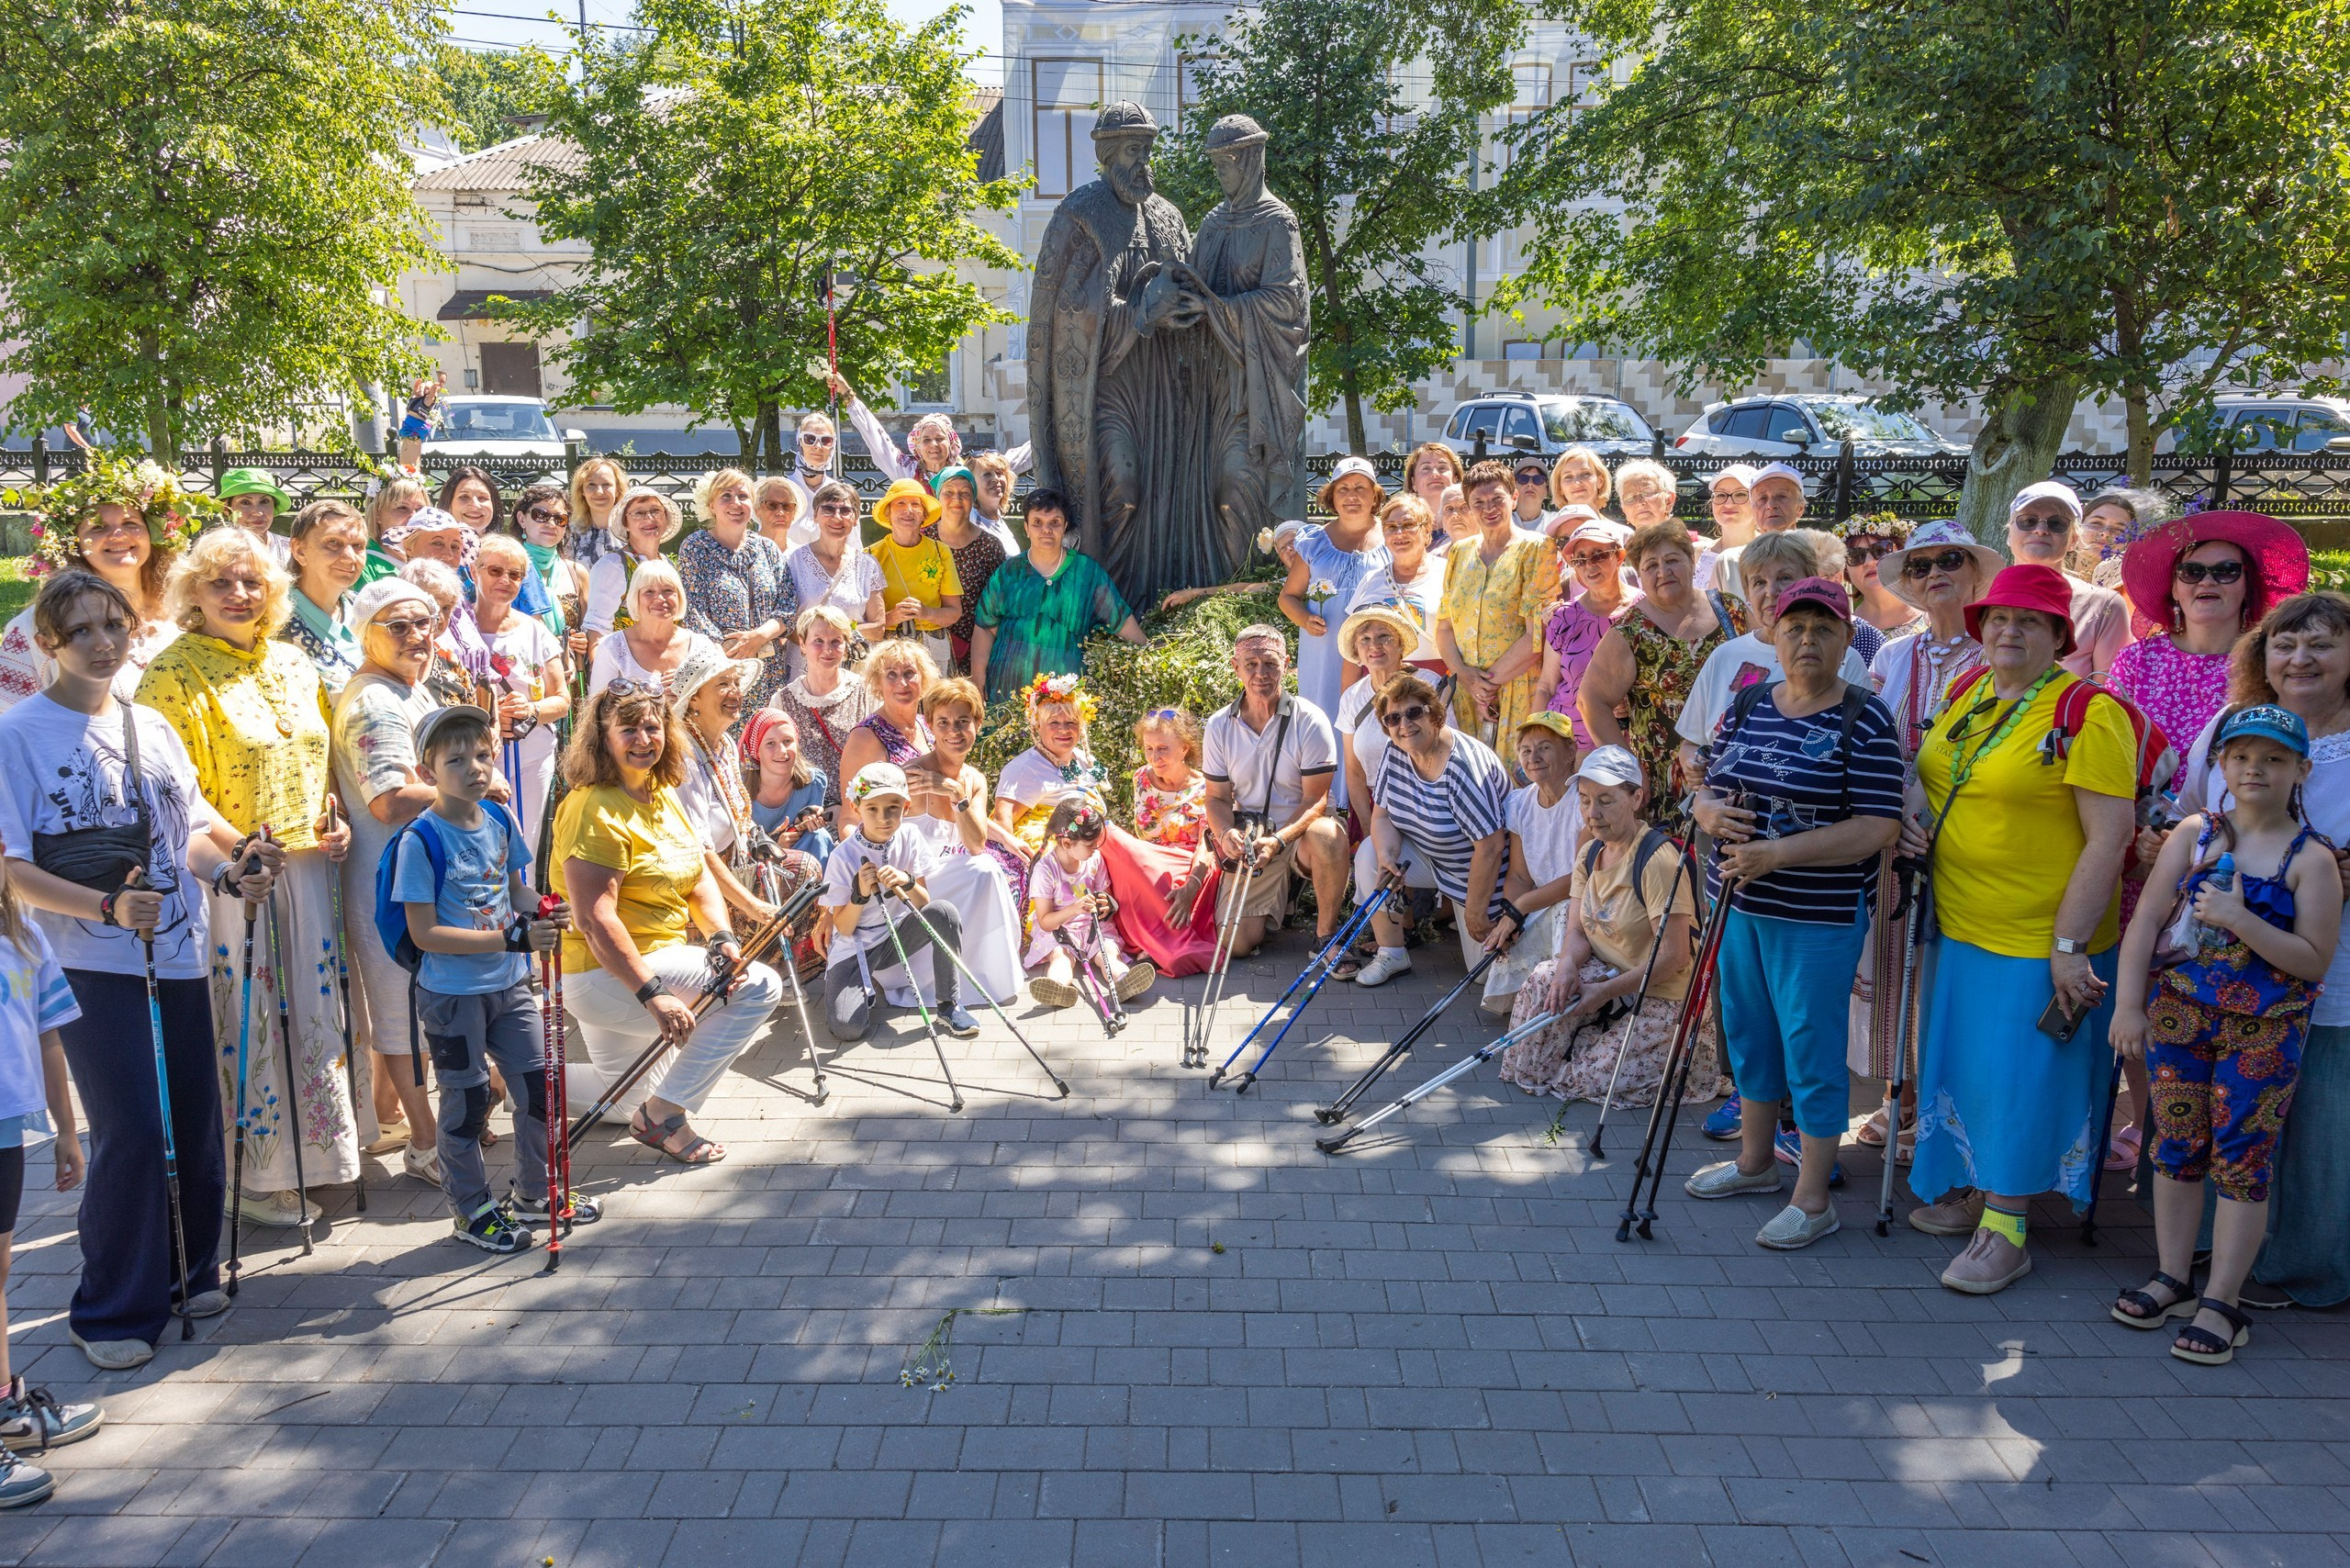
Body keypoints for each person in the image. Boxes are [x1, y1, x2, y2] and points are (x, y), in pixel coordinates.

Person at [0, 571, 278, 1372]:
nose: (99, 642)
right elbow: (13, 869)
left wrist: (230, 873)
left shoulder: (150, 724)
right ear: (48, 643)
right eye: (79, 630)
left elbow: (184, 830)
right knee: (132, 1128)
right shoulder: (19, 735)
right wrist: (104, 908)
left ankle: (187, 1272)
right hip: (90, 961)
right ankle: (111, 1307)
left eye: (111, 625)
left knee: (193, 1116)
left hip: (178, 949)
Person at [1906, 564, 2136, 1294]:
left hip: (2042, 940)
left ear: (2059, 636)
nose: (2008, 631)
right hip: (1963, 924)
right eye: (1999, 618)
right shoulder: (1971, 693)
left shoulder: (2088, 712)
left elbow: (2110, 838)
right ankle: (1981, 1189)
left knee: (2023, 1079)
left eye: (2029, 622)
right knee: (1974, 1070)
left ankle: (2008, 1226)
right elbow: (1937, 775)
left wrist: (2069, 948)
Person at [138, 526, 361, 1227]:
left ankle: (319, 1152)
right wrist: (238, 853)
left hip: (305, 861)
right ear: (192, 594)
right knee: (247, 1011)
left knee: (316, 1004)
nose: (239, 595)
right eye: (221, 583)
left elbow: (315, 753)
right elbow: (170, 792)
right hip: (226, 871)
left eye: (252, 582)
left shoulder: (293, 662)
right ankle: (255, 1172)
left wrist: (334, 813)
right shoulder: (170, 675)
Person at [2109, 704, 2338, 1364]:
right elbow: (2147, 921)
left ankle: (2223, 1300)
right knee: (2175, 1148)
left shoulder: (2311, 859)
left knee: (2241, 1162)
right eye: (2241, 756)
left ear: (2301, 767)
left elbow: (2312, 959)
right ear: (2220, 764)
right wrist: (2129, 1006)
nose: (2254, 769)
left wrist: (2240, 919)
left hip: (2262, 1035)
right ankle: (2174, 1276)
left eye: (2272, 758)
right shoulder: (2195, 833)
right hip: (2179, 1021)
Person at [1684, 578, 1904, 1251]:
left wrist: (1779, 853)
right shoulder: (1750, 699)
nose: (1807, 640)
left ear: (1846, 640)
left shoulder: (1863, 717)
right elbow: (1709, 782)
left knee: (1810, 1049)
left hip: (1818, 915)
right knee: (1749, 1035)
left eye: (1823, 629)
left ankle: (1813, 1196)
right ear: (1773, 637)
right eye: (1794, 628)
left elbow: (1878, 827)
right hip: (1740, 903)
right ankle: (1754, 1165)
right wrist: (1708, 811)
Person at [2174, 592, 2350, 1311]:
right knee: (2228, 1116)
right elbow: (2186, 811)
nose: (2300, 658)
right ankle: (2222, 1264)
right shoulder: (2226, 728)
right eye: (2285, 643)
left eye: (2322, 644)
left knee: (2318, 1124)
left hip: (2327, 972)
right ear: (2262, 655)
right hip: (2216, 976)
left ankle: (2304, 1271)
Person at [393, 704, 592, 1253]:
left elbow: (515, 892)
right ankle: (472, 1210)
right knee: (468, 1099)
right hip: (453, 995)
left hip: (509, 983)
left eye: (482, 754)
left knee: (537, 1089)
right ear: (427, 772)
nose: (475, 768)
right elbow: (427, 932)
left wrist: (545, 908)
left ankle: (534, 1192)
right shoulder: (421, 841)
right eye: (456, 759)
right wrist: (511, 939)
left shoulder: (500, 821)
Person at [555, 683, 782, 1163]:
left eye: (653, 727)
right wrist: (653, 994)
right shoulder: (592, 807)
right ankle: (664, 1117)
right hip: (607, 974)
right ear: (601, 735)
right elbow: (595, 919)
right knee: (759, 986)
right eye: (629, 728)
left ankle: (510, 1079)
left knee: (616, 1100)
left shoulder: (660, 790)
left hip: (651, 963)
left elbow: (697, 874)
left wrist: (721, 936)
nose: (643, 738)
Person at [1845, 520, 2004, 1159]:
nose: (1935, 572)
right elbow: (1879, 744)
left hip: (1968, 833)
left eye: (1950, 560)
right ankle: (1899, 1096)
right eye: (1919, 565)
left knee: (1946, 972)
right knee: (1891, 965)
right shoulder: (1892, 654)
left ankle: (1943, 1105)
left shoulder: (1995, 650)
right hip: (1896, 831)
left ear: (1973, 572)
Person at [1498, 745, 1713, 1107]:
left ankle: (1624, 1046)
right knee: (1545, 984)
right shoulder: (1591, 852)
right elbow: (1578, 929)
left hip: (1661, 992)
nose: (1592, 814)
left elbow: (1675, 956)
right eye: (1584, 800)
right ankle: (1595, 1035)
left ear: (1636, 798)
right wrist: (1567, 964)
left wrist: (1608, 991)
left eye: (1605, 801)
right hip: (1611, 975)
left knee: (1584, 1080)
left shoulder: (1658, 861)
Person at [330, 578, 455, 1172]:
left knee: (413, 1007)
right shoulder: (375, 700)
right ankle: (427, 1144)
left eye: (422, 623)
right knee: (403, 1011)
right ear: (365, 634)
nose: (415, 636)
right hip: (388, 882)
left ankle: (398, 1120)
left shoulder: (407, 688)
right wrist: (466, 790)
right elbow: (387, 799)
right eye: (397, 626)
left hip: (415, 876)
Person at [0, 848, 95, 1504]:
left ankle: (6, 1408)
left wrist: (67, 1128)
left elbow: (49, 1037)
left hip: (8, 1125)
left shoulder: (22, 933)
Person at [1576, 521, 1745, 837]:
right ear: (1639, 575)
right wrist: (1628, 767)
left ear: (1691, 562)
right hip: (1666, 783)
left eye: (1672, 560)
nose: (1662, 571)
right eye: (1650, 565)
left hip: (1735, 769)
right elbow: (1590, 701)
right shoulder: (1631, 630)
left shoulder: (1730, 609)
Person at [1673, 532, 1872, 793]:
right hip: (1725, 815)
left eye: (1785, 578)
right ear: (1746, 591)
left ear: (1810, 582)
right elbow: (1691, 742)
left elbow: (1864, 754)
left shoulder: (1844, 660)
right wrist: (1694, 765)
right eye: (1758, 582)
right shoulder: (1725, 656)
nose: (1771, 592)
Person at [1356, 673, 1516, 993]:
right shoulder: (1396, 750)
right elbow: (1383, 816)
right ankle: (1392, 953)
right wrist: (1388, 858)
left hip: (1480, 875)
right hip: (1432, 859)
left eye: (1414, 712)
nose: (1404, 724)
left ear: (1435, 713)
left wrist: (1474, 911)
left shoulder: (1464, 767)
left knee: (1488, 978)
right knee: (1370, 853)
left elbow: (1492, 847)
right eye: (1393, 718)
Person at [0, 455, 201, 709]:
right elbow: (9, 718)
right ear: (73, 543)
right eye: (98, 527)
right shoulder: (36, 626)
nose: (118, 534)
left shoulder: (186, 612)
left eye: (130, 523)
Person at [1202, 628, 1349, 959]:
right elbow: (1216, 798)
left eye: (1270, 663)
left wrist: (1280, 840)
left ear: (1286, 664)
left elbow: (1316, 799)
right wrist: (1225, 833)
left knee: (1328, 833)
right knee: (1236, 944)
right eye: (1250, 664)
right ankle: (1285, 897)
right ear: (1235, 667)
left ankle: (1326, 936)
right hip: (1255, 838)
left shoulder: (1310, 719)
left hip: (1300, 834)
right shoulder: (1219, 725)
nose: (1260, 674)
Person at [820, 762, 981, 1042]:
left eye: (892, 808)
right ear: (856, 808)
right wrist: (859, 896)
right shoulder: (842, 856)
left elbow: (924, 903)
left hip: (895, 935)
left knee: (944, 912)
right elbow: (843, 929)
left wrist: (906, 881)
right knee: (848, 1029)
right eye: (872, 809)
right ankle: (859, 989)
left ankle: (948, 1004)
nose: (884, 818)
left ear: (905, 807)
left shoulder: (909, 836)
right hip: (855, 947)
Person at [899, 678, 1025, 1002]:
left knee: (984, 867)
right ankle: (927, 977)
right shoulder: (911, 775)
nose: (953, 731)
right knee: (983, 870)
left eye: (962, 722)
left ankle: (986, 974)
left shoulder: (974, 779)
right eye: (943, 722)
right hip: (911, 884)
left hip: (954, 876)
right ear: (929, 725)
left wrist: (957, 795)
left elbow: (974, 844)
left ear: (977, 725)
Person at [968, 488, 1144, 704]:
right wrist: (977, 678)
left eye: (1055, 522)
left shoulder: (1086, 573)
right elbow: (986, 626)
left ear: (1065, 526)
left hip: (1063, 702)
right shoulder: (1009, 573)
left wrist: (1149, 654)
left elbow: (1120, 619)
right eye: (1038, 522)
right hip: (1007, 694)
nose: (1046, 530)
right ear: (1026, 528)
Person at [1438, 460, 1561, 749]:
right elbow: (1445, 626)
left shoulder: (1537, 548)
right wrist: (1465, 676)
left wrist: (1486, 685)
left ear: (1514, 498)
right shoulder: (1459, 552)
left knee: (1517, 779)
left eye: (1497, 499)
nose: (1489, 508)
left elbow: (1537, 634)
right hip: (1466, 692)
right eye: (1478, 502)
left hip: (1517, 690)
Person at [670, 647, 781, 930]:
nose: (735, 692)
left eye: (735, 683)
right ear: (695, 698)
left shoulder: (726, 744)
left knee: (804, 871)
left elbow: (739, 812)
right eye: (723, 684)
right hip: (694, 879)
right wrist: (751, 905)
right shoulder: (684, 755)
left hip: (734, 859)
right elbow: (700, 853)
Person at [472, 534, 570, 848]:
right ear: (476, 570)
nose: (505, 580)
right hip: (474, 761)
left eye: (515, 575)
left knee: (523, 844)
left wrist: (531, 709)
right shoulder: (458, 627)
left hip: (531, 759)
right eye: (496, 571)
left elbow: (562, 700)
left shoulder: (534, 630)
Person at [1485, 711, 1586, 1008]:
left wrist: (1523, 906)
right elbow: (1519, 877)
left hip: (1580, 905)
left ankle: (1561, 998)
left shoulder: (1583, 800)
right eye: (1526, 750)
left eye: (1544, 747)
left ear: (1570, 752)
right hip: (1540, 904)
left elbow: (1580, 877)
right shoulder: (1520, 804)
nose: (1534, 757)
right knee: (1510, 946)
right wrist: (1510, 916)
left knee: (1564, 912)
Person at [1281, 455, 1390, 729]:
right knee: (1324, 717)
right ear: (1332, 496)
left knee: (1375, 715)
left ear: (1374, 495)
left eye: (1360, 488)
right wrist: (1304, 619)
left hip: (1376, 648)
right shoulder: (1314, 542)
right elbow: (1288, 597)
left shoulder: (1392, 537)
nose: (1351, 496)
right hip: (1324, 649)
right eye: (1343, 489)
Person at [678, 467, 796, 716]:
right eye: (726, 496)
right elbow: (693, 611)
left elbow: (787, 605)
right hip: (720, 669)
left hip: (769, 667)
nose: (735, 503)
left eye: (742, 496)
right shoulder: (695, 547)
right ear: (711, 505)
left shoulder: (768, 549)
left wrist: (759, 637)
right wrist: (728, 653)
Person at [1023, 797, 1155, 1010]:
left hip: (1093, 927)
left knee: (1108, 952)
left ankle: (1124, 981)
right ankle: (1057, 987)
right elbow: (1046, 922)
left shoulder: (1094, 859)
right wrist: (1074, 908)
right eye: (1091, 844)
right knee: (1061, 957)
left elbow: (1106, 895)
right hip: (1060, 931)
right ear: (1067, 843)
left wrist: (1107, 905)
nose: (1096, 848)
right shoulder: (1045, 870)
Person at [1334, 602, 1443, 860]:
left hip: (1426, 801)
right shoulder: (1352, 698)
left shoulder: (1428, 684)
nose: (1375, 645)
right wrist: (1369, 827)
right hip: (1374, 806)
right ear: (1356, 652)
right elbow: (1354, 771)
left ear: (1401, 646)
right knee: (1370, 861)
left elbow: (1444, 751)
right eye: (1365, 639)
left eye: (1384, 636)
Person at [2007, 480, 2133, 679]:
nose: (2040, 530)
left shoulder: (2104, 606)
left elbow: (2110, 697)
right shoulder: (1978, 596)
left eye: (2057, 524)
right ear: (2009, 533)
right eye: (2028, 521)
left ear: (2074, 539)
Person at [1534, 514, 1636, 748]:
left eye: (1598, 555)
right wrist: (1535, 738)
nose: (1589, 565)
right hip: (1566, 741)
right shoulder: (1564, 616)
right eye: (1580, 559)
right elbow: (1547, 685)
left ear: (1619, 556)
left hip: (1625, 743)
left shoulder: (1643, 611)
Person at [834, 639, 942, 838]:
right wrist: (869, 859)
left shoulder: (928, 726)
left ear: (923, 678)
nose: (902, 683)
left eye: (909, 673)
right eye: (891, 675)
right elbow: (850, 817)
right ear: (878, 683)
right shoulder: (865, 737)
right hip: (892, 847)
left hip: (940, 835)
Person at [783, 481, 889, 675]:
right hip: (806, 671)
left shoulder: (868, 565)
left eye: (846, 510)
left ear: (856, 518)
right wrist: (846, 632)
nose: (837, 517)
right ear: (815, 515)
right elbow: (786, 625)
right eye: (828, 509)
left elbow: (878, 628)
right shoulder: (793, 561)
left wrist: (823, 634)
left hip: (853, 670)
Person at [772, 605, 875, 801]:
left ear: (846, 646)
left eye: (836, 641)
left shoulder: (866, 692)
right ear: (802, 644)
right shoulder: (782, 701)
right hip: (803, 811)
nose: (827, 649)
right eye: (818, 641)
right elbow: (774, 764)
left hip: (857, 807)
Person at [277, 501, 371, 698]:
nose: (349, 557)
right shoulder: (274, 617)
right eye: (333, 543)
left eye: (358, 546)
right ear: (299, 550)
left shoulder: (367, 612)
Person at [582, 486, 687, 660]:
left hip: (667, 667)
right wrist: (605, 678)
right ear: (626, 523)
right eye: (639, 513)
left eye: (656, 511)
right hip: (626, 670)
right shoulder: (613, 565)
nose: (649, 518)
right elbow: (597, 630)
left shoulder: (667, 564)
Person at [867, 479, 961, 670]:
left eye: (915, 504)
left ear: (924, 514)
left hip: (932, 645)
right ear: (888, 512)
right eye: (900, 503)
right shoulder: (869, 555)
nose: (908, 510)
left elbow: (954, 612)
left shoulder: (940, 551)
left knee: (936, 700)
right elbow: (860, 620)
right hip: (887, 647)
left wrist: (926, 612)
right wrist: (892, 617)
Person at [1346, 496, 1447, 674]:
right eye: (1391, 527)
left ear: (1426, 531)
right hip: (1378, 684)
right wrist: (1348, 699)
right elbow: (1353, 653)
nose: (1399, 533)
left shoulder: (1448, 574)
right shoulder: (1370, 581)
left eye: (1408, 525)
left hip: (1436, 682)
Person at [587, 561, 716, 698]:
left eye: (668, 590)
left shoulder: (702, 646)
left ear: (679, 596)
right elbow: (599, 711)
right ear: (635, 598)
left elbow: (719, 697)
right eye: (649, 591)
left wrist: (692, 685)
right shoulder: (611, 647)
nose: (660, 598)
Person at [928, 466, 1007, 674]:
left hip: (975, 648)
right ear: (938, 497)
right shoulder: (923, 539)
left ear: (973, 499)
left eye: (965, 492)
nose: (957, 498)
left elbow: (997, 605)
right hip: (928, 645)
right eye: (949, 492)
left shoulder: (990, 546)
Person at [742, 708, 834, 865]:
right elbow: (737, 846)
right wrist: (775, 844)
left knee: (820, 837)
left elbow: (807, 835)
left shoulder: (813, 782)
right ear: (756, 750)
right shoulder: (739, 788)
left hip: (802, 856)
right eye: (770, 743)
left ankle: (824, 888)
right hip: (755, 865)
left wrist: (804, 820)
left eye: (787, 741)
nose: (782, 751)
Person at [1714, 463, 1807, 606]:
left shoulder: (1818, 557)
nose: (1770, 505)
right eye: (1762, 499)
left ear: (1800, 508)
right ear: (1753, 509)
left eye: (1781, 496)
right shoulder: (1729, 563)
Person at [509, 481, 587, 654]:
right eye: (541, 515)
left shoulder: (577, 573)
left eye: (560, 519)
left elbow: (590, 630)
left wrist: (582, 640)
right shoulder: (506, 569)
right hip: (522, 671)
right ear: (522, 519)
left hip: (570, 672)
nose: (551, 524)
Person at [1131, 707, 1210, 855]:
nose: (1154, 758)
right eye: (1149, 748)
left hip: (1184, 868)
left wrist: (1194, 878)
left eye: (1163, 748)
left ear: (1184, 748)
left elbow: (1206, 850)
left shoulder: (1206, 790)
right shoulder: (1141, 778)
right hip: (1147, 864)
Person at [1836, 515, 1926, 641]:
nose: (1869, 562)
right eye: (1855, 556)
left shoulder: (1935, 614)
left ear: (1903, 555)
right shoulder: (1840, 630)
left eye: (1880, 550)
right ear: (1846, 571)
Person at [2078, 486, 2168, 599]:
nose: (2105, 533)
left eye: (2119, 530)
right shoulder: (2052, 572)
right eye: (2096, 523)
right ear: (2078, 526)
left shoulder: (2133, 593)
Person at [1695, 465, 1760, 594]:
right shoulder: (1696, 553)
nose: (1728, 503)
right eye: (1720, 495)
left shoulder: (1771, 553)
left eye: (1740, 494)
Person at [356, 476, 428, 587]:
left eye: (420, 509)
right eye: (402, 508)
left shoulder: (434, 556)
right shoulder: (364, 563)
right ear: (378, 514)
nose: (414, 516)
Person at [563, 456, 629, 572]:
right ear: (582, 491)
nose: (599, 492)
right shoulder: (570, 533)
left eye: (606, 484)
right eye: (591, 485)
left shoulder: (631, 530)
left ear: (618, 489)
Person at [218, 468, 294, 566]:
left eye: (265, 501)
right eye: (245, 502)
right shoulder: (214, 555)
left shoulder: (291, 551)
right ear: (227, 509)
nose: (258, 512)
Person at [781, 411, 843, 518]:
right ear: (799, 442)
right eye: (809, 439)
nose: (818, 446)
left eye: (826, 441)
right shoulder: (781, 490)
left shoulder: (841, 494)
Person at [1404, 442, 1463, 547]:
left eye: (1442, 468)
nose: (1435, 474)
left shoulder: (1472, 522)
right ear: (1413, 482)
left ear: (1455, 478)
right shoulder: (1401, 526)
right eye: (1426, 468)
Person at [967, 451, 1022, 553]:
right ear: (970, 484)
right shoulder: (971, 523)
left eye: (999, 473)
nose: (995, 479)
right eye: (987, 474)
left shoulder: (996, 518)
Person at [1612, 459, 1679, 532]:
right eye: (1630, 498)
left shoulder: (1690, 543)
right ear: (1624, 510)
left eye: (1648, 493)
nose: (1639, 503)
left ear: (1669, 501)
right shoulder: (1620, 543)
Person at [397, 370, 445, 470]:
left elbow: (435, 389)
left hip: (413, 434)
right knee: (406, 467)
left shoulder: (427, 401)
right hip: (409, 433)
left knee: (409, 469)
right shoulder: (416, 399)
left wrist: (440, 381)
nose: (425, 390)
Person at [754, 476, 811, 556]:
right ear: (757, 510)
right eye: (772, 505)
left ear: (794, 513)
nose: (780, 512)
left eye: (787, 506)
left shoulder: (801, 556)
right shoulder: (745, 551)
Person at [1550, 446, 1613, 521]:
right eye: (1568, 477)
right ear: (1560, 488)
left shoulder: (1619, 531)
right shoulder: (1550, 531)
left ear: (1600, 481)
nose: (1577, 483)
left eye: (1585, 474)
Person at [437, 465, 502, 537]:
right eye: (464, 497)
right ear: (449, 504)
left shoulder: (506, 547)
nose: (475, 505)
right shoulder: (430, 547)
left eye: (482, 498)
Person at [1510, 456, 1553, 530]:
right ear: (1514, 488)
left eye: (1538, 479)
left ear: (1546, 490)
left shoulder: (1557, 522)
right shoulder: (1502, 523)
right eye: (1523, 478)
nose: (1530, 484)